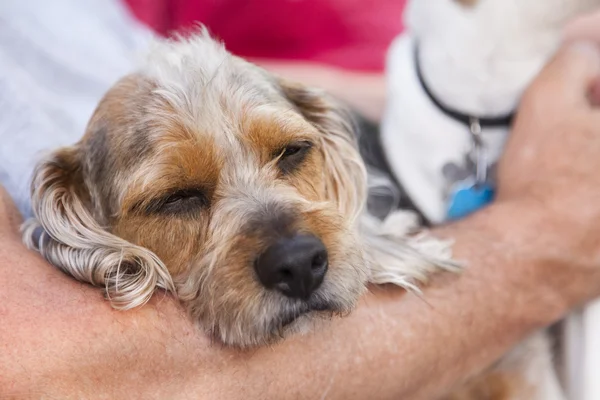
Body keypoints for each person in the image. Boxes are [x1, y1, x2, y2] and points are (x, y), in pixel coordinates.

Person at [3, 4, 600, 400]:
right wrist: (538, 233)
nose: (291, 250)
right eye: (179, 198)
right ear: (81, 219)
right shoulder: (69, 195)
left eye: (290, 155)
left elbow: (215, 87)